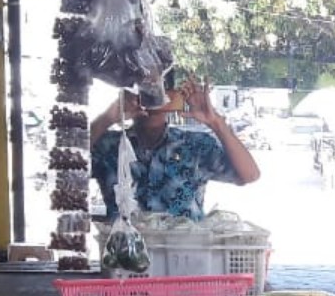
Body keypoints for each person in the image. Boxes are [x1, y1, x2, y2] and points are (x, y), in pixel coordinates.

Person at [89, 75, 261, 220]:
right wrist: (107, 118)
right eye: (144, 92)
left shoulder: (195, 146)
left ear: (171, 97)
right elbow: (71, 164)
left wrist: (216, 122)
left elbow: (250, 175)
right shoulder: (107, 146)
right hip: (124, 249)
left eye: (159, 93)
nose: (152, 101)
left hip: (184, 248)